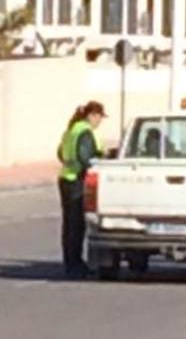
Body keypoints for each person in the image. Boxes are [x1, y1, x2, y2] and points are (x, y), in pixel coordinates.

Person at [56, 101, 106, 279]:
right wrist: (99, 160)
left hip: (65, 178)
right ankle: (75, 263)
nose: (100, 122)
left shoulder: (71, 129)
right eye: (100, 117)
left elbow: (61, 153)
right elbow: (86, 157)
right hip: (77, 180)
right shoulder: (85, 132)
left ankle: (71, 261)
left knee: (69, 224)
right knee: (76, 225)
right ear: (93, 115)